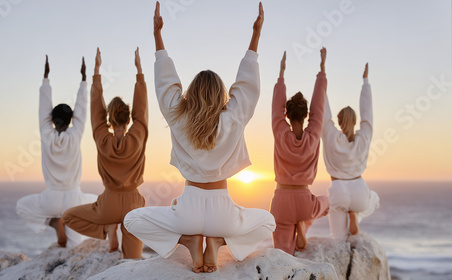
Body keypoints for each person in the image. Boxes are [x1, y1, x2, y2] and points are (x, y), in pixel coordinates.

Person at [124, 2, 275, 274]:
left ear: (190, 93)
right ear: (222, 96)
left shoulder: (179, 119)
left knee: (131, 218)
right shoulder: (233, 119)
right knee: (269, 221)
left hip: (188, 211)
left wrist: (158, 36)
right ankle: (217, 242)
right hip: (223, 211)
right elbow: (248, 86)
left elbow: (165, 85)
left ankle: (187, 240)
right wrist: (255, 36)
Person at [62, 47, 148, 259]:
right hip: (133, 204)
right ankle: (119, 239)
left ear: (110, 121)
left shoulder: (102, 137)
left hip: (107, 204)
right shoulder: (138, 134)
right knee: (132, 263)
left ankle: (108, 230)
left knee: (67, 217)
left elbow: (96, 112)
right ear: (129, 119)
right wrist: (139, 72)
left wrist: (97, 72)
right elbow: (142, 110)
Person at [16, 56, 97, 248]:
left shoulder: (46, 135)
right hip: (74, 199)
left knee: (21, 206)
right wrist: (84, 81)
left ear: (52, 121)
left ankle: (53, 222)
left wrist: (46, 79)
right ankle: (69, 231)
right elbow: (82, 111)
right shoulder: (75, 134)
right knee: (100, 205)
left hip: (50, 199)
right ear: (71, 120)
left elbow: (43, 110)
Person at [269, 49, 329, 255]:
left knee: (283, 256)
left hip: (282, 200)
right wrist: (322, 69)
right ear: (306, 115)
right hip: (305, 201)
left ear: (287, 113)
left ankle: (295, 232)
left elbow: (275, 109)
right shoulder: (313, 135)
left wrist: (281, 74)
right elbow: (319, 107)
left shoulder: (280, 133)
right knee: (328, 201)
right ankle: (302, 225)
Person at [323, 63, 380, 240]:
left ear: (338, 121)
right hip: (359, 190)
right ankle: (356, 215)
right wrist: (365, 82)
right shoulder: (363, 137)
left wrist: (322, 74)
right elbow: (367, 114)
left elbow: (323, 110)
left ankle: (342, 244)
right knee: (375, 199)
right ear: (355, 121)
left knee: (337, 238)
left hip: (338, 189)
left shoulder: (330, 135)